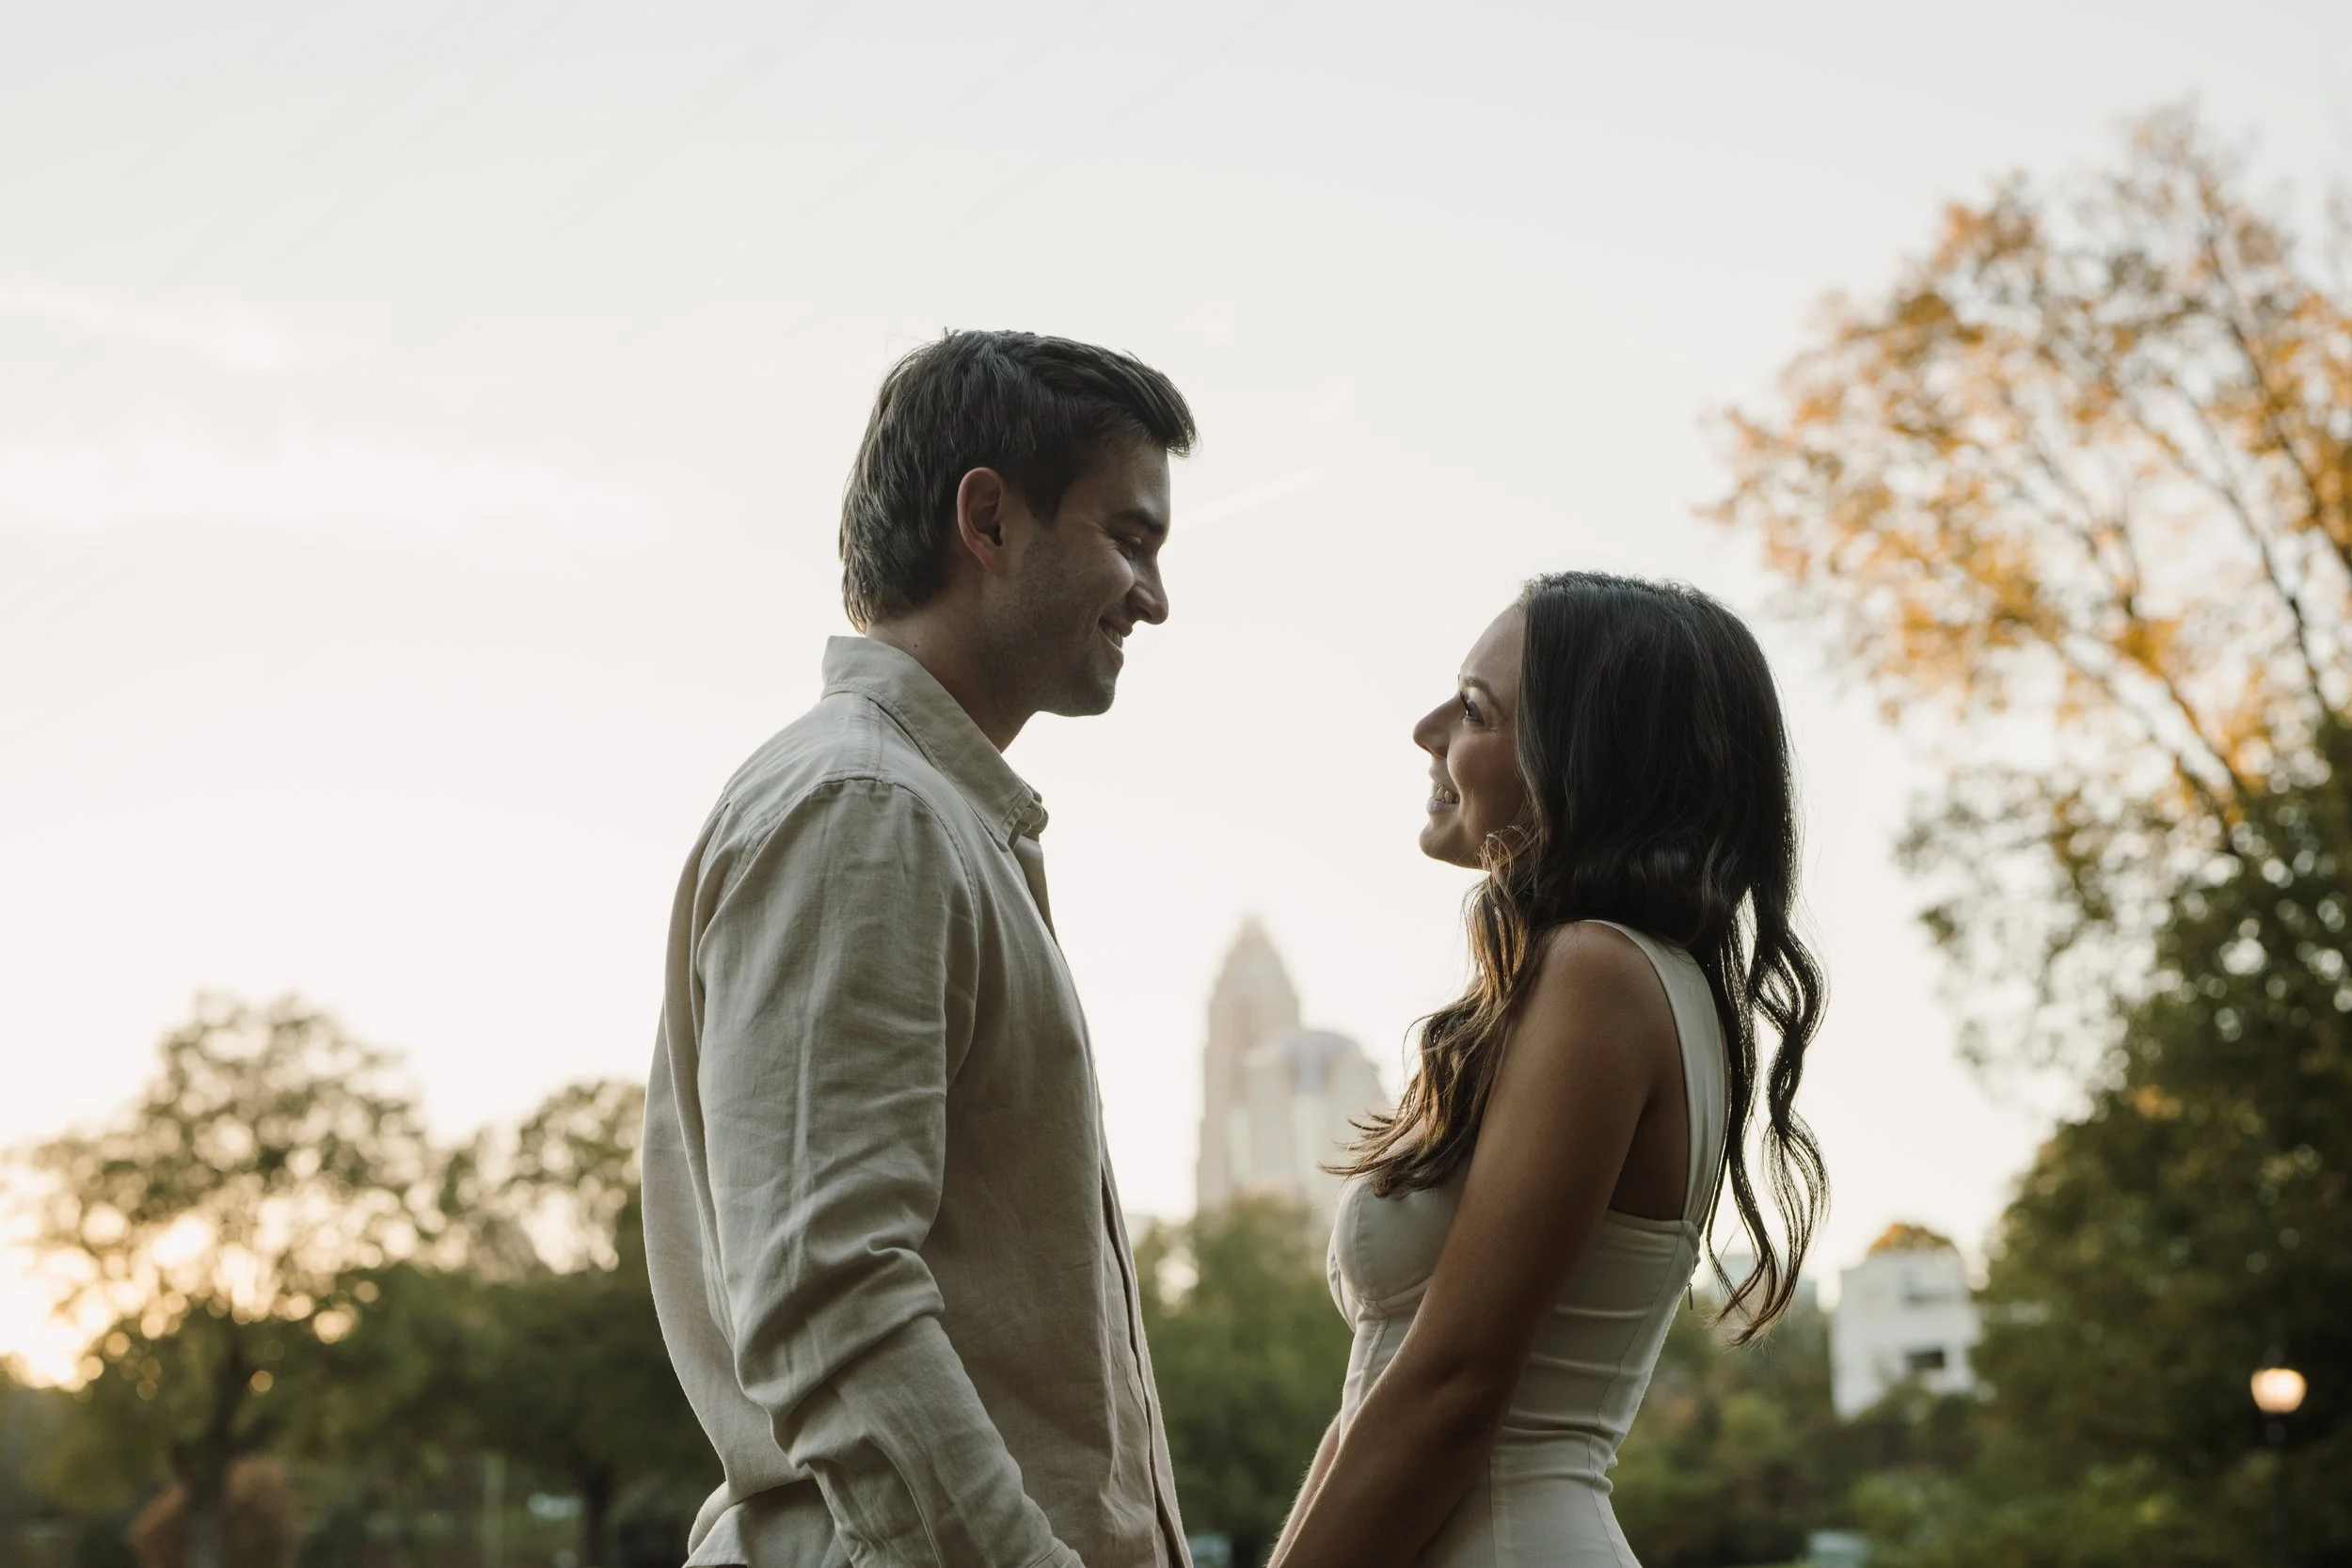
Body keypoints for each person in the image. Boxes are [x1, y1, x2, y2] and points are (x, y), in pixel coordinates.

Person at [639, 330, 1197, 1568]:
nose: (1153, 598)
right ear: (987, 520)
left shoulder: (925, 810)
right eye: (1131, 537)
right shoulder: (864, 806)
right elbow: (830, 1298)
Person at [1270, 573, 1830, 1568]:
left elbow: (1454, 1385)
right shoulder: (1611, 980)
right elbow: (1383, 1393)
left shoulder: (1598, 975)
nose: (1425, 727)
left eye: (1475, 707)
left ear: (1584, 762)